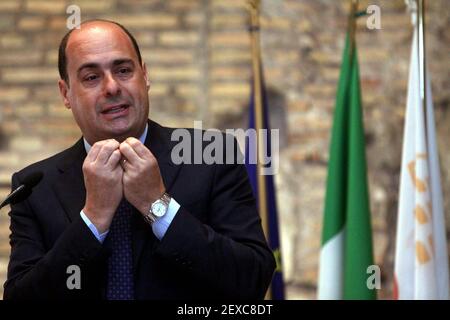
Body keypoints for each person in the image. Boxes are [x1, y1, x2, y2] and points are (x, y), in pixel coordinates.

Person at [3, 19, 275, 300]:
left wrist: (158, 206)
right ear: (66, 93)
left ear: (144, 76)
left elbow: (252, 279)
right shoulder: (35, 187)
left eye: (123, 70)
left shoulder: (211, 154)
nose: (111, 87)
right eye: (91, 77)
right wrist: (93, 220)